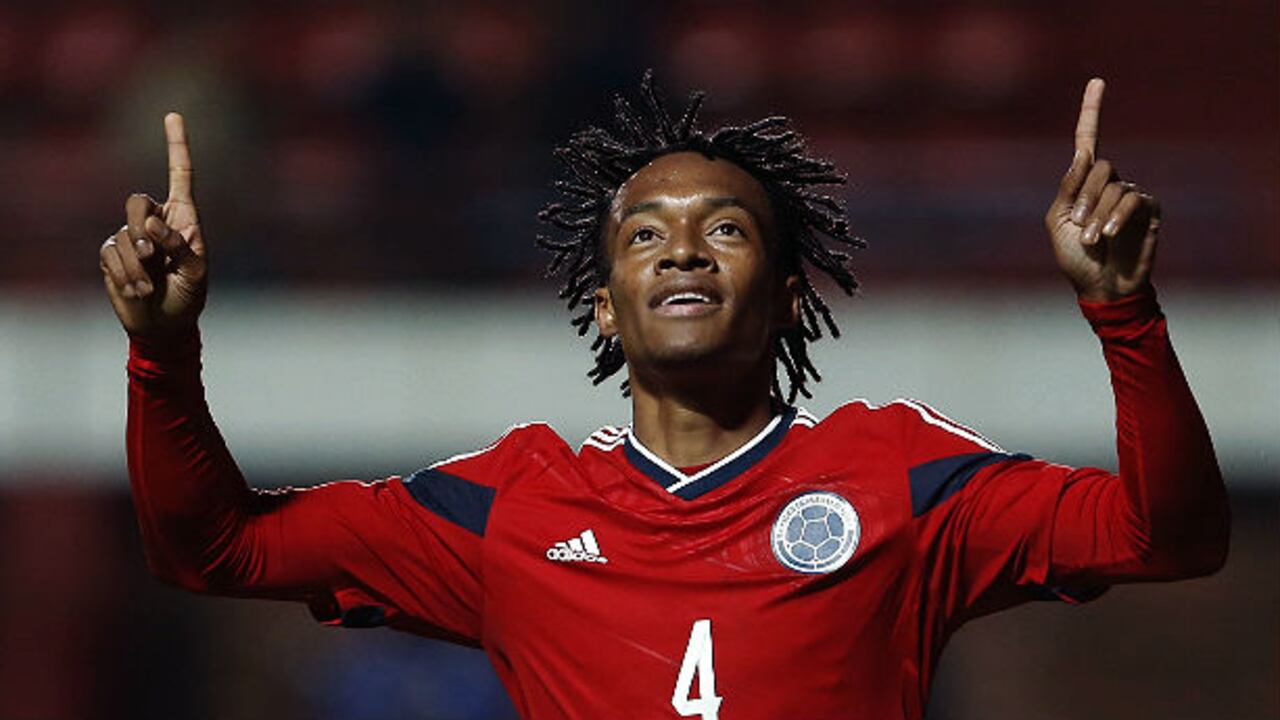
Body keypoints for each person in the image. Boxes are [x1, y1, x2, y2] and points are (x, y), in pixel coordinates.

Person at [99, 74, 1228, 719]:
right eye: (645, 236)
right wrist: (162, 351)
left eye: (723, 230)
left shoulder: (902, 477)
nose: (682, 252)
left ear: (790, 297)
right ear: (605, 305)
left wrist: (1123, 314)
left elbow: (1164, 537)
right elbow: (213, 553)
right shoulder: (509, 505)